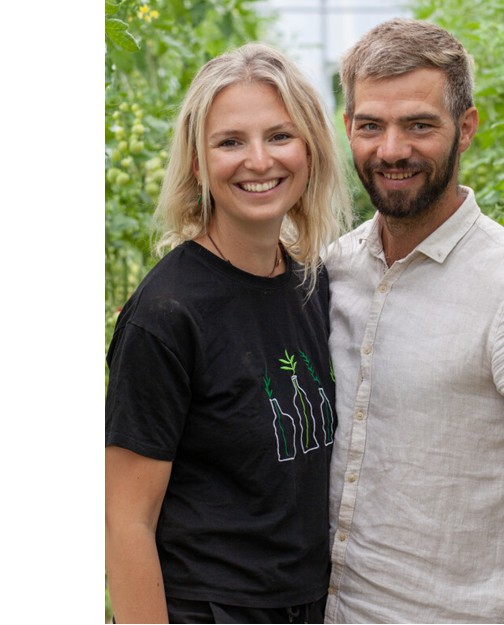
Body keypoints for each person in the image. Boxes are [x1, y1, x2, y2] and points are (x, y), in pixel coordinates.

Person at [324, 19, 504, 624]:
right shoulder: (332, 270)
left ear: (465, 128)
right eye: (372, 126)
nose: (392, 150)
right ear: (348, 129)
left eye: (419, 125)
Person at [105, 43, 351, 624]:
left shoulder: (308, 286)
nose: (259, 160)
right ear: (197, 162)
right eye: (230, 141)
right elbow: (124, 520)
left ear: (311, 149)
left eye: (280, 136)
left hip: (307, 606)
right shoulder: (167, 313)